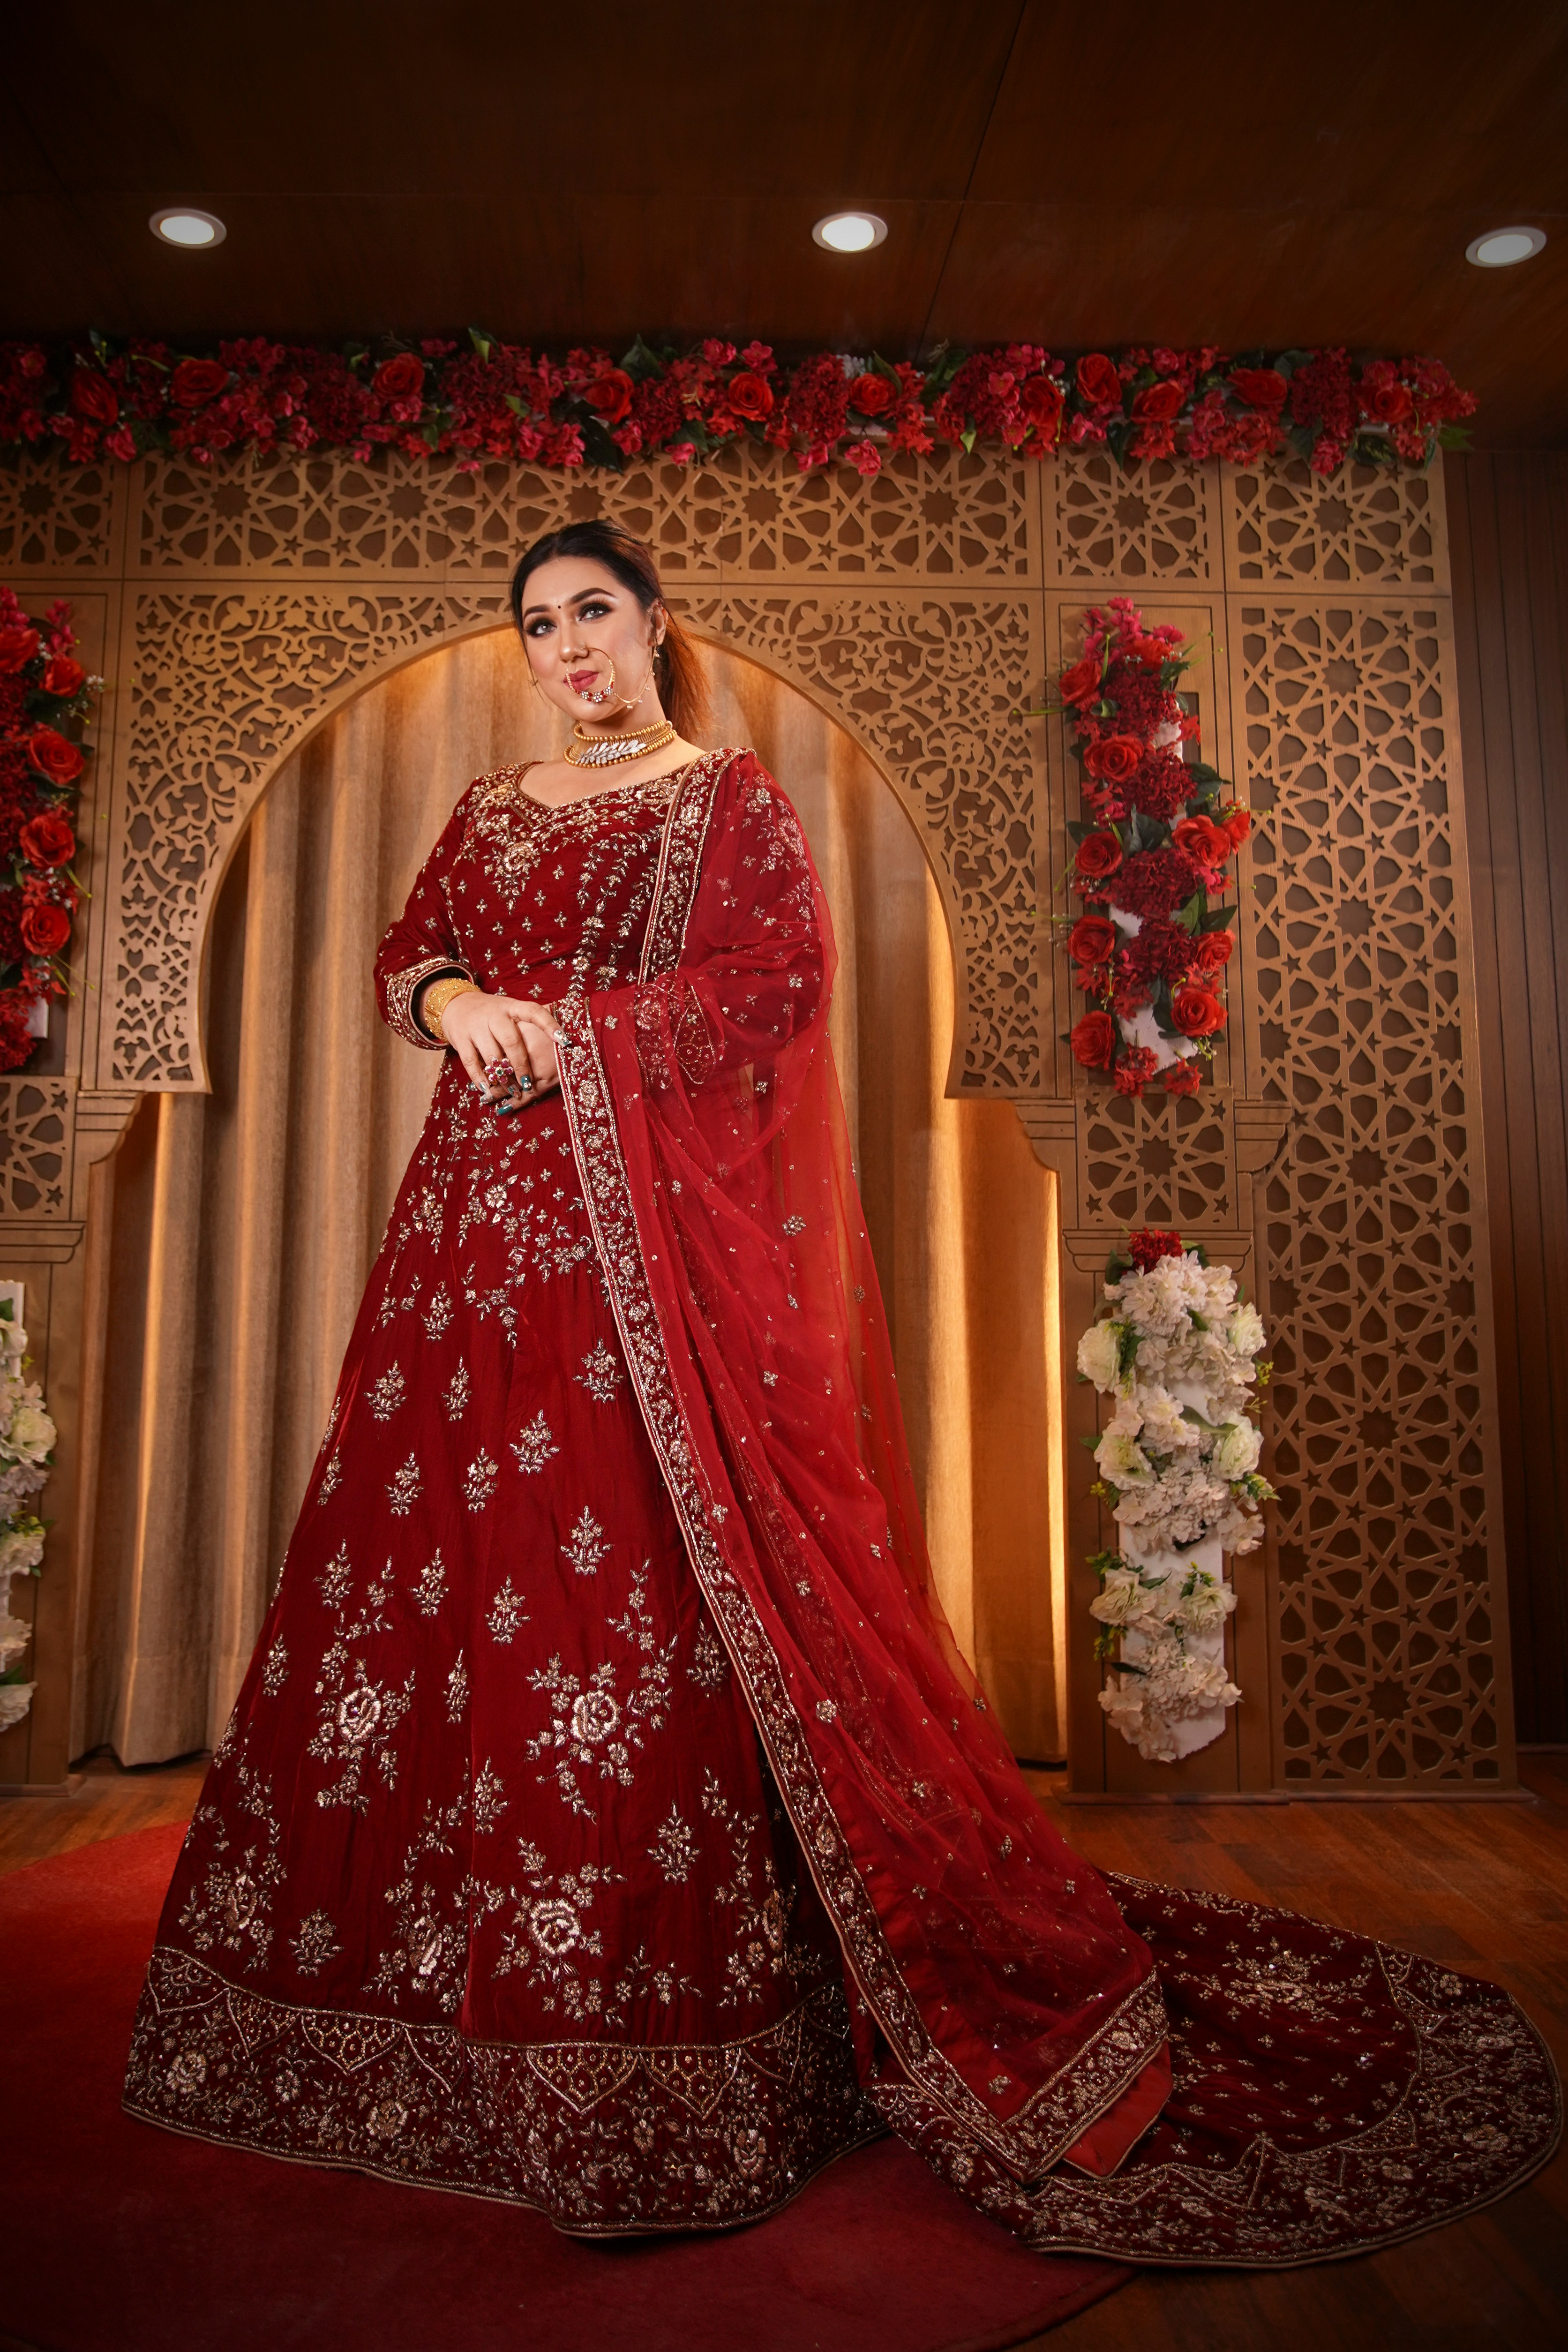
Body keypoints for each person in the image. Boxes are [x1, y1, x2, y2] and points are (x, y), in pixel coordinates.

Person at [124, 522, 1557, 2260]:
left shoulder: (726, 804)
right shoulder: (491, 809)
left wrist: (569, 1031)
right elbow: (406, 947)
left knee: (622, 1612)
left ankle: (666, 2025)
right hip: (465, 1268)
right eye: (537, 627)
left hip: (644, 1275)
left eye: (593, 613)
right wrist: (445, 993)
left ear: (654, 625)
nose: (567, 647)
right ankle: (431, 1993)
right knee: (443, 1595)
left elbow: (772, 987)